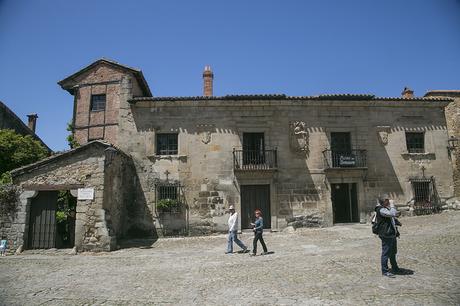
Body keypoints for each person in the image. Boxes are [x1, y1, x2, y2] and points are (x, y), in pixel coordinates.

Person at [375, 194, 403, 277]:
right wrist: (392, 205)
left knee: (393, 252)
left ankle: (395, 268)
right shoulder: (381, 210)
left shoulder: (386, 209)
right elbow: (392, 213)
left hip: (392, 233)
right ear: (384, 201)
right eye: (387, 200)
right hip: (386, 234)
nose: (389, 201)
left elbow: (392, 216)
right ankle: (385, 271)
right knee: (386, 253)